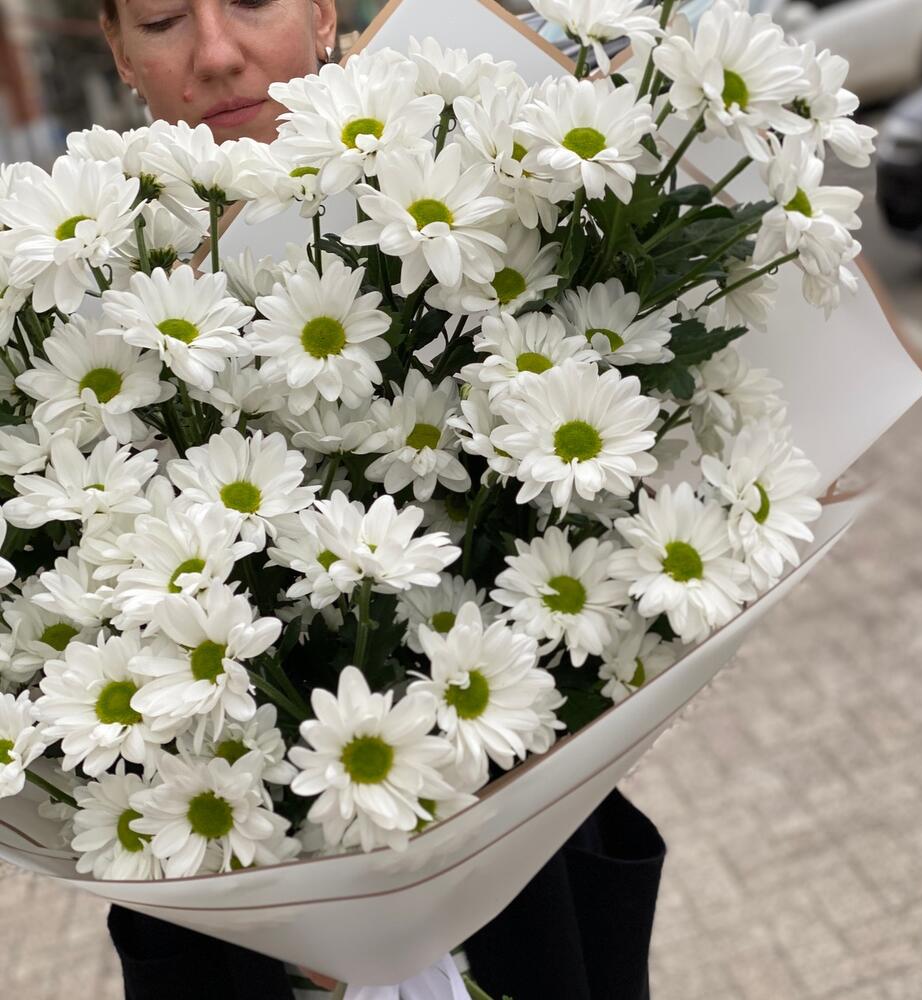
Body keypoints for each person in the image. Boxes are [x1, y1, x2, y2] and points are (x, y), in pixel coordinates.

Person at [96, 0, 666, 996]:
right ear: (118, 51)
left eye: (252, 0)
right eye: (162, 17)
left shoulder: (487, 198)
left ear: (323, 11)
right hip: (235, 928)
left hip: (525, 889)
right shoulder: (81, 296)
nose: (216, 53)